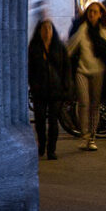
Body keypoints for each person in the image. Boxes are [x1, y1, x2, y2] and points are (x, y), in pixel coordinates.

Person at [67, 1, 106, 152]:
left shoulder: (103, 32)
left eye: (95, 12)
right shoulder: (82, 29)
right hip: (82, 71)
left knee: (95, 105)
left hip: (99, 72)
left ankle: (93, 138)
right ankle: (84, 137)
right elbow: (71, 47)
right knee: (84, 104)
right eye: (90, 11)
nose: (92, 14)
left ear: (101, 14)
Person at [27, 14, 73, 161]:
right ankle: (41, 144)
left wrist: (66, 86)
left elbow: (66, 68)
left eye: (49, 29)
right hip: (39, 90)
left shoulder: (59, 48)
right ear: (39, 31)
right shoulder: (34, 48)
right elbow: (30, 69)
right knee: (40, 121)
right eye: (44, 29)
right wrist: (32, 84)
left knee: (53, 121)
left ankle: (51, 149)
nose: (47, 32)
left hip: (56, 90)